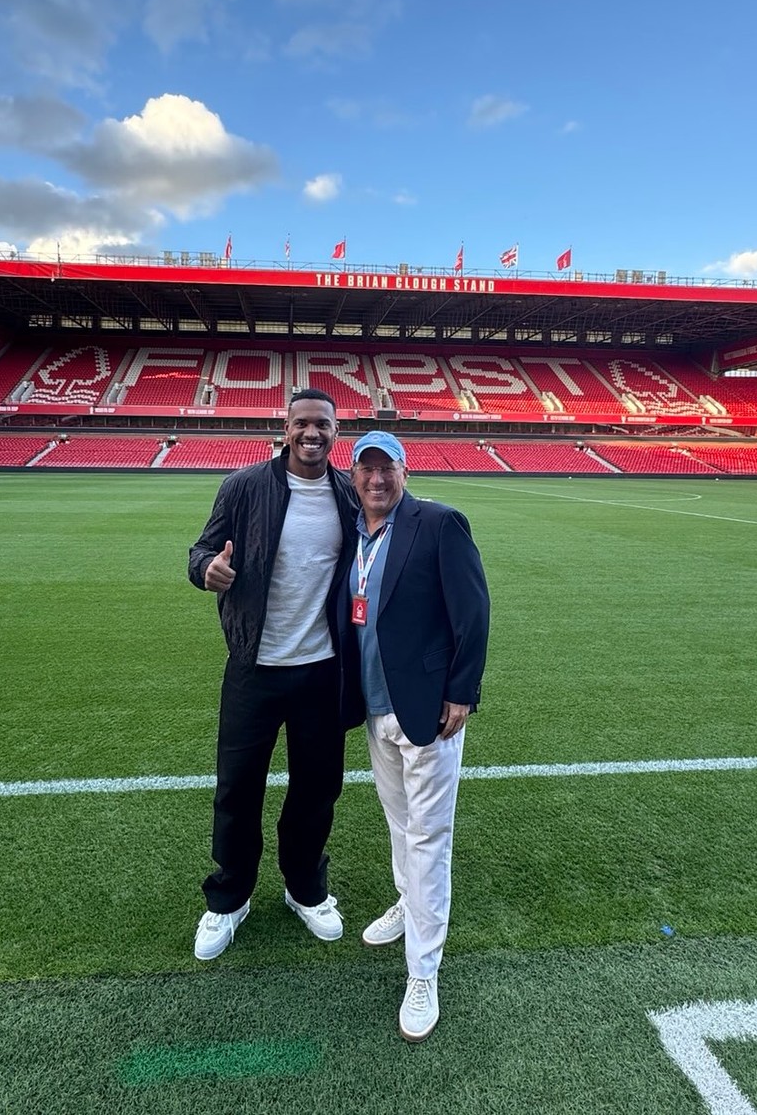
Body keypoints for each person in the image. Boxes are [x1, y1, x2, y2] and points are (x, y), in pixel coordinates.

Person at [187, 389, 358, 960]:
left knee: (316, 789)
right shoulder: (243, 487)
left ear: (337, 431)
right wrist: (205, 569)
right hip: (253, 668)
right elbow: (201, 548)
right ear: (285, 428)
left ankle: (304, 889)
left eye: (324, 425)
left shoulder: (347, 494)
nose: (313, 433)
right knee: (238, 788)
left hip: (321, 672)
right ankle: (228, 899)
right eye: (302, 423)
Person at [340, 430, 490, 1041]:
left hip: (427, 707)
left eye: (387, 468)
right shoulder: (354, 533)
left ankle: (424, 970)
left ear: (405, 470)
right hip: (377, 706)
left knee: (429, 836)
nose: (376, 479)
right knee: (399, 824)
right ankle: (408, 903)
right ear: (355, 477)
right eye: (366, 469)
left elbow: (473, 610)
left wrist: (462, 690)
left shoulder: (438, 522)